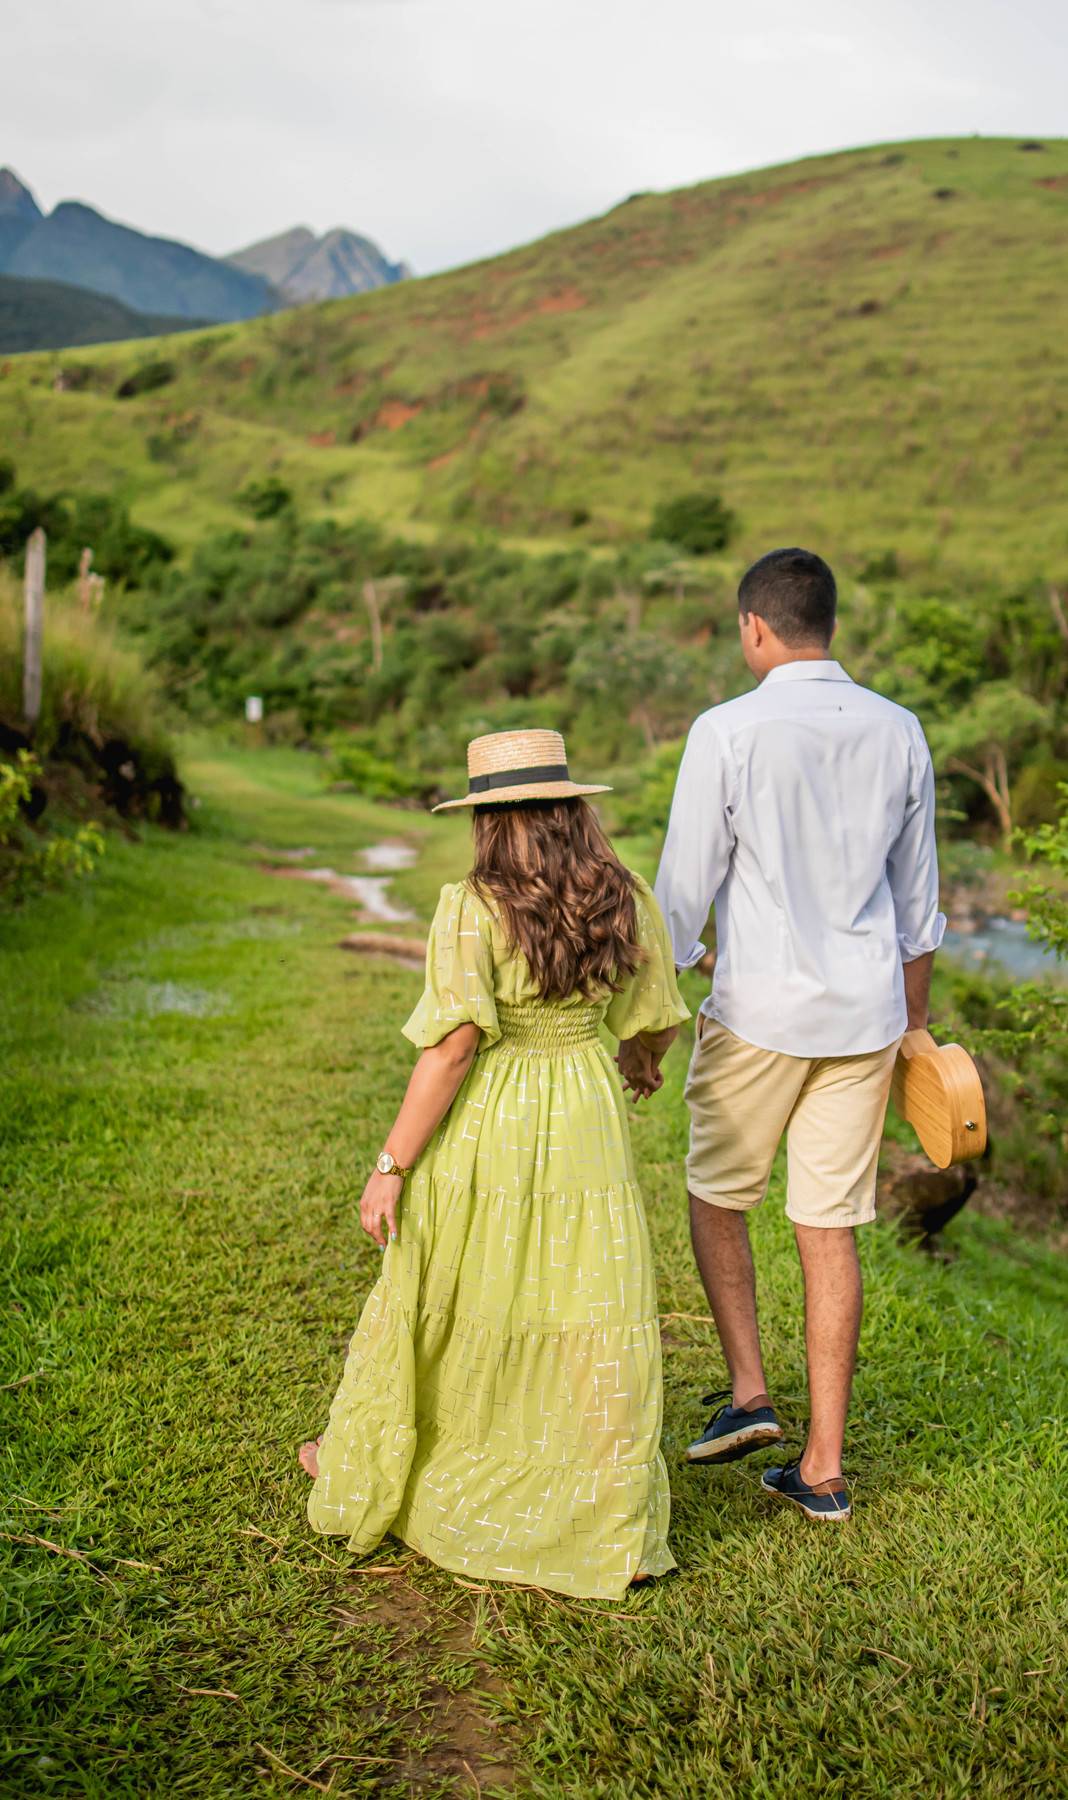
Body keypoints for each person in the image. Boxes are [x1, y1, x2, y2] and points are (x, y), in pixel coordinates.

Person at [300, 728, 688, 1598]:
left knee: (462, 1283)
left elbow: (454, 1048)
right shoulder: (624, 895)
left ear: (488, 818)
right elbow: (656, 1015)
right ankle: (607, 1516)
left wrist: (391, 1163)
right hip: (585, 1106)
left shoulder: (474, 905)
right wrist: (639, 1062)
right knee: (587, 1302)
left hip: (495, 1114)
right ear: (572, 808)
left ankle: (389, 1457)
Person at [654, 548, 944, 1522]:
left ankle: (750, 1395)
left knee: (716, 1194)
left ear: (754, 627)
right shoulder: (900, 730)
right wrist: (916, 1030)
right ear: (831, 625)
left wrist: (653, 1017)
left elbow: (683, 888)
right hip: (866, 1021)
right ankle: (823, 1469)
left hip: (759, 1015)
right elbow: (918, 907)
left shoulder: (728, 730)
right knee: (829, 1229)